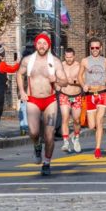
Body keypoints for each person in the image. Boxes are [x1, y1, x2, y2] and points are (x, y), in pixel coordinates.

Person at [16, 33, 68, 176]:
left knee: (49, 135)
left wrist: (56, 79)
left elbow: (65, 81)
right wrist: (21, 91)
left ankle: (46, 162)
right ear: (35, 45)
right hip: (33, 100)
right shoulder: (28, 60)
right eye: (39, 43)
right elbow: (19, 74)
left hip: (50, 100)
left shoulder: (55, 61)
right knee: (33, 132)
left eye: (45, 43)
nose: (42, 46)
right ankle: (37, 146)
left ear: (48, 45)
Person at [78, 37, 106, 159]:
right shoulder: (85, 61)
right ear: (89, 49)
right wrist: (83, 85)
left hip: (102, 93)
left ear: (101, 48)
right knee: (92, 125)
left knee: (99, 121)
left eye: (97, 48)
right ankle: (91, 124)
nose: (94, 50)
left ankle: (97, 149)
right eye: (92, 48)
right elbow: (80, 76)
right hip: (90, 94)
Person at [59, 48, 82, 153]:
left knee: (77, 120)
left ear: (74, 56)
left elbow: (83, 81)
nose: (69, 59)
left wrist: (72, 81)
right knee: (65, 118)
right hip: (64, 95)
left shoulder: (79, 66)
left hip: (76, 96)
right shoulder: (61, 65)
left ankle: (76, 138)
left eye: (71, 57)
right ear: (65, 56)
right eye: (67, 57)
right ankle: (65, 142)